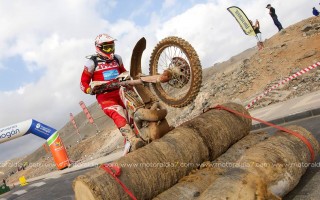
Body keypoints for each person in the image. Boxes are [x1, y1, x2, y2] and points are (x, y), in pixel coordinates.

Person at [80, 34, 145, 152]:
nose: (111, 50)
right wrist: (89, 89)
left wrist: (128, 78)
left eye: (112, 47)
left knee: (135, 109)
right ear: (99, 48)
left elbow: (124, 71)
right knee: (118, 112)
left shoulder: (117, 58)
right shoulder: (91, 63)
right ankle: (132, 139)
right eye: (107, 48)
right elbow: (83, 83)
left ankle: (142, 135)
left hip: (121, 90)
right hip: (105, 96)